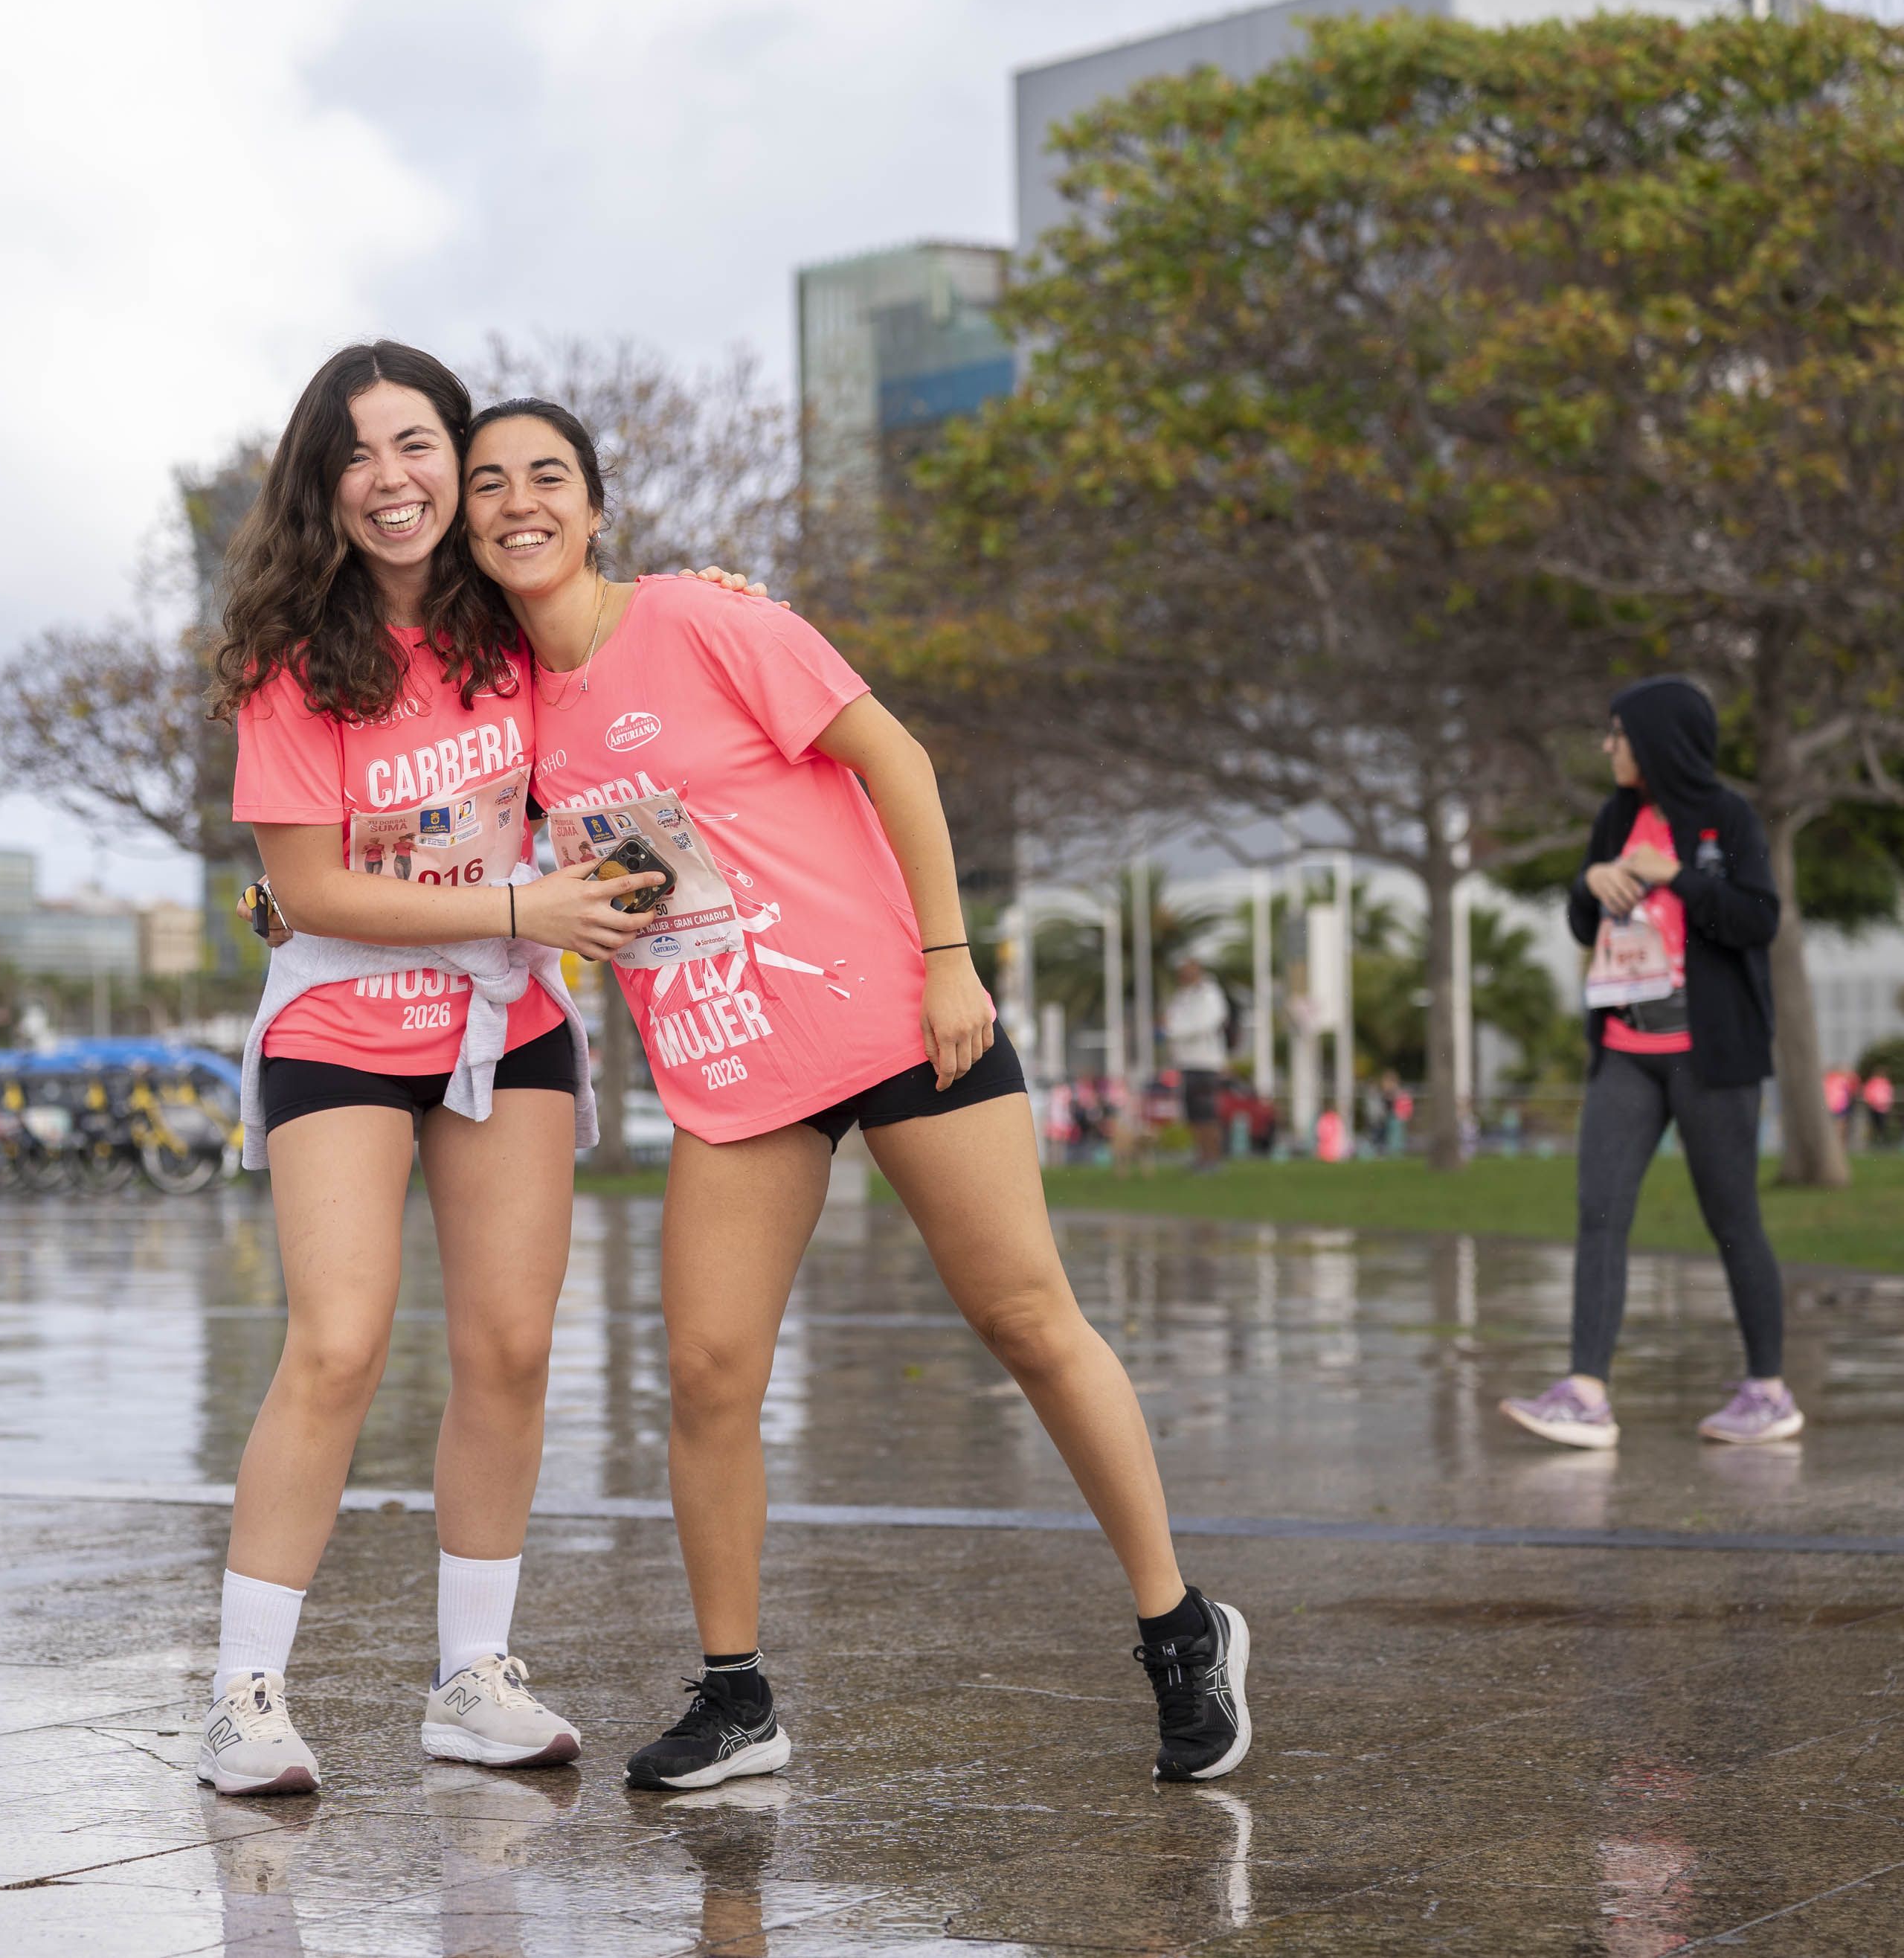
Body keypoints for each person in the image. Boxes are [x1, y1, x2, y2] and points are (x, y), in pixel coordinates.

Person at [466, 399, 1253, 1794]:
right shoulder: (503, 702)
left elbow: (898, 759)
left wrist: (951, 959)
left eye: (547, 476)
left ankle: (1181, 1627)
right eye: (489, 484)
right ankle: (737, 1697)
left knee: (1027, 1317)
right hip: (731, 1065)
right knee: (709, 1370)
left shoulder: (707, 618)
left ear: (594, 506)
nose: (518, 502)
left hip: (897, 1016)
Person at [197, 340, 747, 1799]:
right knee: (338, 1341)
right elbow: (304, 889)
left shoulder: (510, 627)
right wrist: (518, 905)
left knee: (509, 1347)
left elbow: (629, 640)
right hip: (340, 1023)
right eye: (355, 454)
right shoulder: (288, 658)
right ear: (321, 484)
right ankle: (244, 1694)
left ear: (456, 457)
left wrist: (709, 600)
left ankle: (473, 1678)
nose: (391, 478)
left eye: (416, 445)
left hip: (507, 1025)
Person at [1500, 677, 1802, 1451]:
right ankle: (1585, 1395)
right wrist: (1588, 882)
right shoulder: (1615, 817)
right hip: (1626, 1053)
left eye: (1619, 734)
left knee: (1732, 1220)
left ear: (1659, 741)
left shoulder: (1728, 817)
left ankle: (1768, 1393)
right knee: (1599, 1212)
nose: (1609, 746)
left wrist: (1679, 877)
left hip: (1711, 1056)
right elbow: (1584, 923)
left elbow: (1757, 919)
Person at [1164, 957, 1232, 1172]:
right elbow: (1170, 1022)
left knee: (1207, 1114)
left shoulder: (1210, 994)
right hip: (1186, 1062)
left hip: (1206, 1064)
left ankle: (1213, 1159)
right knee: (1193, 1115)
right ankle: (1201, 1157)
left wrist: (1179, 1032)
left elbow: (1209, 1022)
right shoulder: (1182, 996)